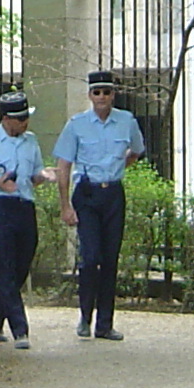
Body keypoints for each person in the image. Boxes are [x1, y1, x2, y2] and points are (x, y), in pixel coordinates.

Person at [55, 70, 145, 342]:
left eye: (107, 92)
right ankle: (85, 315)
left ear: (113, 95)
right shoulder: (77, 124)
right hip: (87, 194)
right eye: (97, 92)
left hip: (113, 194)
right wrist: (65, 205)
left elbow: (137, 151)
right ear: (90, 95)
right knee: (90, 257)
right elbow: (63, 165)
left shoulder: (126, 121)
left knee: (109, 259)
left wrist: (117, 168)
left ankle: (105, 324)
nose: (102, 97)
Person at [0, 93, 48, 349]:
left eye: (26, 117)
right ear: (6, 119)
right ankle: (20, 329)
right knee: (6, 264)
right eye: (20, 119)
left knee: (22, 264)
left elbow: (34, 175)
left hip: (25, 204)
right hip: (0, 205)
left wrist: (45, 176)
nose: (25, 123)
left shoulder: (30, 142)